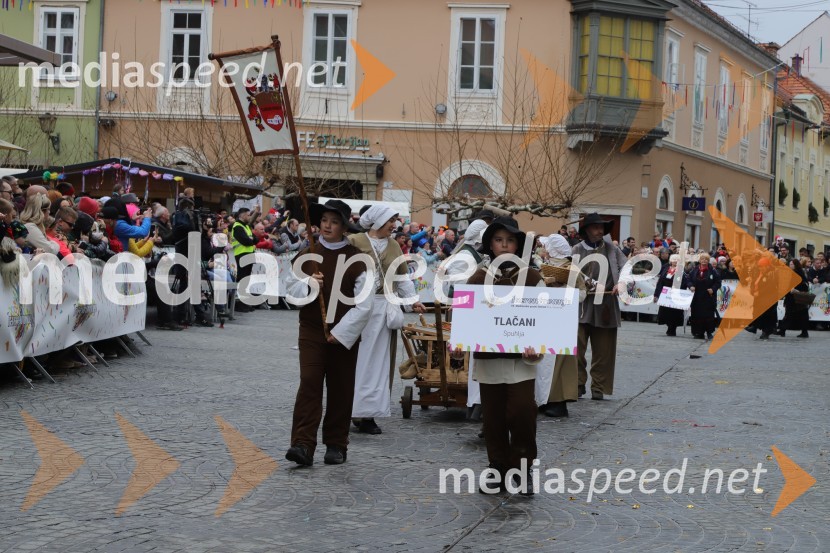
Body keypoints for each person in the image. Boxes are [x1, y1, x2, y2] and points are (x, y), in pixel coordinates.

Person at [283, 200, 373, 466]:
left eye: (334, 222)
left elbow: (364, 304)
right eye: (324, 221)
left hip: (344, 332)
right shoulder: (306, 254)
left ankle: (336, 443)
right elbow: (289, 290)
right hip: (311, 329)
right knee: (309, 382)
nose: (327, 226)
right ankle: (302, 443)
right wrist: (309, 284)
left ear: (344, 227)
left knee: (340, 387)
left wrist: (343, 332)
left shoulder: (359, 259)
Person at [460, 217, 543, 493]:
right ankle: (497, 466)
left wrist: (537, 342)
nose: (504, 245)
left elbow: (545, 318)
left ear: (518, 245)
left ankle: (522, 468)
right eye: (498, 240)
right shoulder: (479, 277)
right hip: (490, 360)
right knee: (493, 417)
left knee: (522, 412)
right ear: (490, 245)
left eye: (509, 240)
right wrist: (462, 332)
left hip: (521, 361)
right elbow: (462, 312)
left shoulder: (532, 278)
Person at [348, 205, 426, 435]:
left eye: (395, 220)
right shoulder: (354, 242)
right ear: (378, 221)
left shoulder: (393, 246)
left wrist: (413, 300)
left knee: (379, 364)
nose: (394, 225)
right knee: (355, 362)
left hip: (383, 311)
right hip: (356, 308)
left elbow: (402, 278)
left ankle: (369, 414)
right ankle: (350, 409)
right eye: (391, 220)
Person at [572, 213, 627, 400]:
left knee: (604, 350)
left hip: (606, 305)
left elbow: (625, 269)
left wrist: (621, 283)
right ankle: (577, 383)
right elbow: (572, 273)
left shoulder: (613, 249)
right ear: (587, 230)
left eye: (602, 227)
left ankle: (599, 386)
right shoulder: (577, 249)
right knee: (576, 348)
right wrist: (590, 284)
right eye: (595, 227)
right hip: (582, 304)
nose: (600, 231)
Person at [538, 233, 586, 418]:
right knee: (545, 360)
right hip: (546, 319)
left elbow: (582, 293)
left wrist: (563, 289)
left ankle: (559, 401)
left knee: (561, 361)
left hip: (564, 320)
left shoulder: (572, 268)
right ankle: (543, 398)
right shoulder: (545, 266)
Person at [230, 208, 259, 313]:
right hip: (242, 255)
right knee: (242, 279)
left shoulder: (246, 226)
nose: (249, 217)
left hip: (249, 254)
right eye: (248, 215)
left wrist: (252, 240)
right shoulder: (237, 227)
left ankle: (245, 302)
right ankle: (239, 304)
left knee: (247, 279)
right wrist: (251, 240)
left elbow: (256, 239)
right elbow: (246, 241)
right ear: (242, 215)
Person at [653, 254, 690, 336]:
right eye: (674, 260)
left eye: (677, 260)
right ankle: (669, 326)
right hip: (666, 295)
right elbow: (660, 283)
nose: (675, 262)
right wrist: (656, 295)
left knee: (675, 313)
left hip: (676, 294)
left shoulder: (682, 271)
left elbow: (686, 281)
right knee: (665, 312)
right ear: (670, 261)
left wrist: (690, 287)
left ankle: (672, 328)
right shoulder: (665, 269)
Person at [688, 253, 721, 340]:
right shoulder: (694, 270)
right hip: (697, 297)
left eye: (706, 259)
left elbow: (718, 282)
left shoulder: (713, 271)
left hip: (708, 297)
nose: (704, 261)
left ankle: (709, 332)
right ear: (699, 260)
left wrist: (713, 289)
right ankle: (699, 333)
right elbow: (689, 279)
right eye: (702, 259)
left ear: (708, 261)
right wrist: (690, 286)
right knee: (696, 315)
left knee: (708, 315)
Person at [777, 259, 810, 338]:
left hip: (798, 298)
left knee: (800, 315)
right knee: (789, 314)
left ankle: (804, 332)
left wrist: (797, 290)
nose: (790, 266)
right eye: (790, 264)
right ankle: (782, 330)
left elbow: (805, 285)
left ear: (795, 265)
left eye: (791, 264)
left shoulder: (800, 274)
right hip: (791, 298)